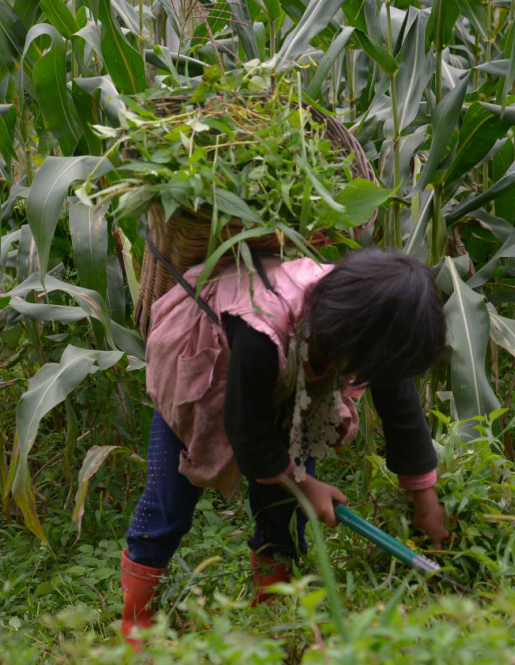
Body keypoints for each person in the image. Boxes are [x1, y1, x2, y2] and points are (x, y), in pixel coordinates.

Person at [120, 248, 449, 645]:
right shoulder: (263, 326)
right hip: (200, 367)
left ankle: (272, 615)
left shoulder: (374, 324)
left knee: (284, 512)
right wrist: (305, 484)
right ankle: (136, 627)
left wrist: (424, 499)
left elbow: (401, 408)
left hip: (288, 385)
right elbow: (248, 434)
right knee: (167, 506)